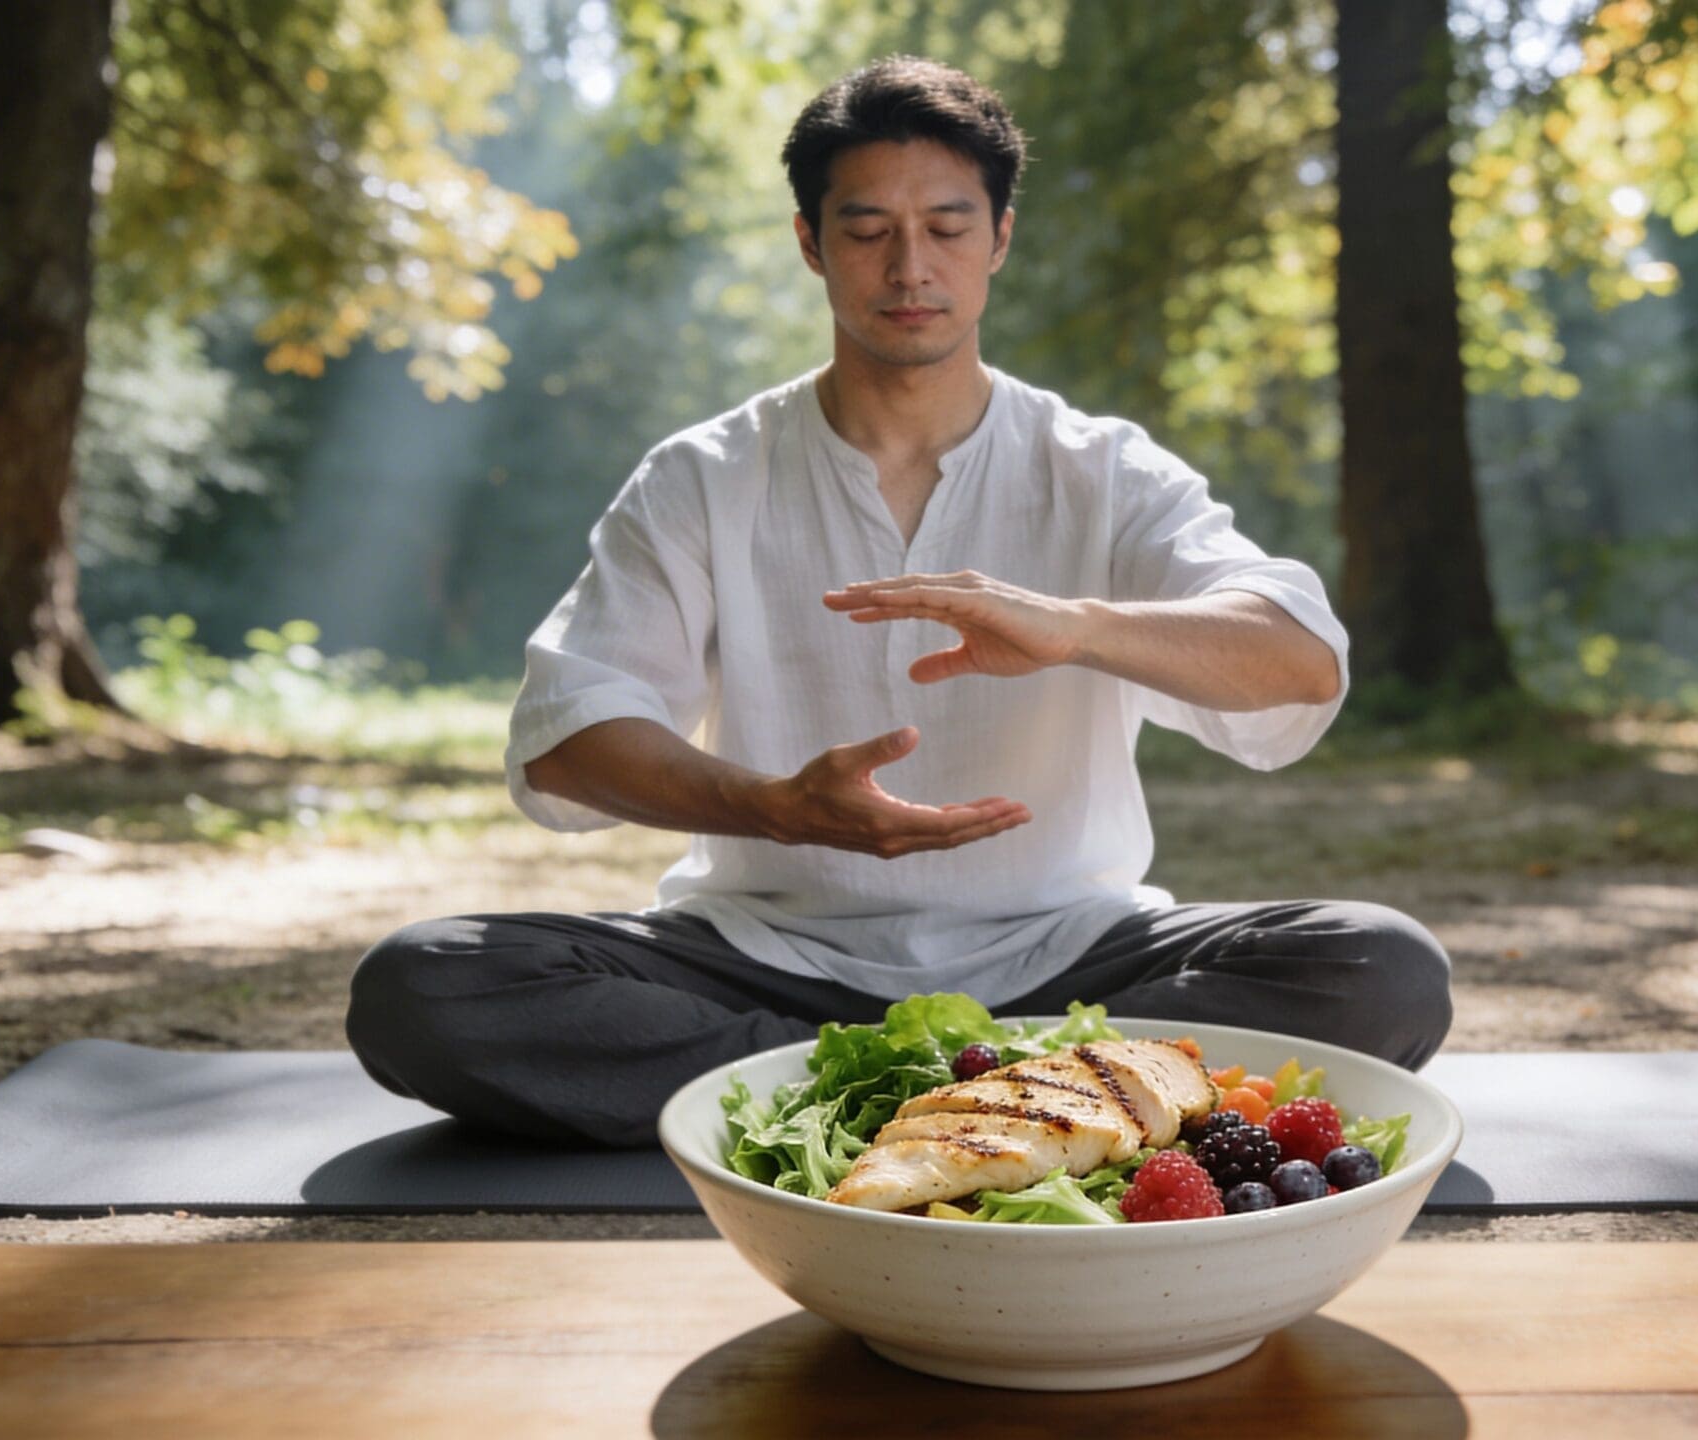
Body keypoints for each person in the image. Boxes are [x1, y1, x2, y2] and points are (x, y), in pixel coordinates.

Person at [346, 56, 1452, 1147]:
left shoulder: (1102, 469)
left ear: (1000, 240)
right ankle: (1024, 1104)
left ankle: (838, 1103)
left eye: (948, 227)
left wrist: (1078, 628)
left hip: (1064, 958)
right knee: (425, 985)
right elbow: (568, 739)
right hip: (762, 960)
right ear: (810, 243)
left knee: (1378, 966)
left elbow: (1298, 658)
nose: (909, 265)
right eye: (869, 228)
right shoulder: (705, 473)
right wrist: (774, 806)